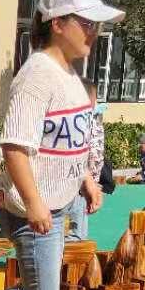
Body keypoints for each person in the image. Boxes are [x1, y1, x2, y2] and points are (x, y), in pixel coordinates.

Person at [0, 0, 122, 290]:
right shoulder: (36, 76)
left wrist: (87, 180)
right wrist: (34, 203)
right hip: (34, 208)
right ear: (58, 24)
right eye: (86, 22)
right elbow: (14, 146)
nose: (94, 31)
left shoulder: (71, 76)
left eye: (96, 24)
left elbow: (69, 143)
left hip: (56, 203)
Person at [65, 80, 107, 240]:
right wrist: (93, 183)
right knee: (75, 234)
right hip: (77, 185)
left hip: (78, 183)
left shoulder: (84, 119)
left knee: (70, 230)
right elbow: (94, 156)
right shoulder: (86, 121)